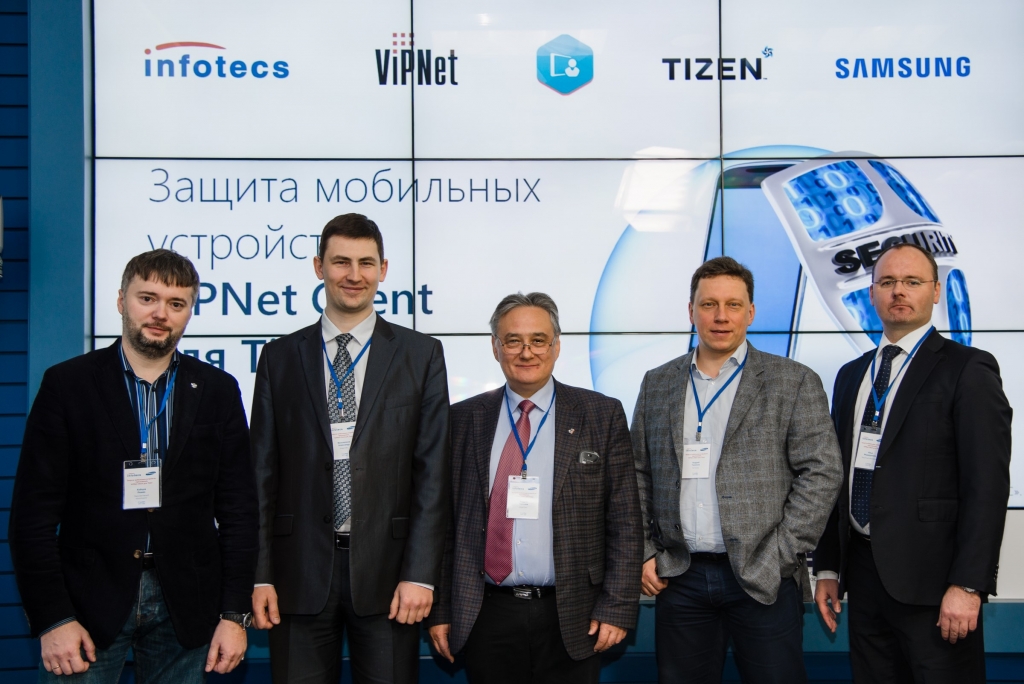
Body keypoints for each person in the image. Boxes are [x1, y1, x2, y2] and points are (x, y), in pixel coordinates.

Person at [9, 249, 258, 683]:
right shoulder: (68, 384)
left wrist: (234, 615)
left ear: (189, 313)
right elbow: (32, 517)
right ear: (121, 300)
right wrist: (53, 619)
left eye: (176, 303)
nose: (161, 313)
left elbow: (239, 511)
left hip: (187, 604)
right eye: (148, 298)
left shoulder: (217, 389)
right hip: (86, 606)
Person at [250, 213, 450, 683]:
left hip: (390, 577)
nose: (354, 275)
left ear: (384, 269)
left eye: (366, 262)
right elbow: (261, 474)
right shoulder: (279, 357)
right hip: (297, 573)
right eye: (341, 262)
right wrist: (260, 574)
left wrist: (420, 573)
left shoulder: (421, 354)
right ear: (319, 267)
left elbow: (433, 475)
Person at [632, 256, 843, 683]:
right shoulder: (658, 382)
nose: (721, 316)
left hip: (764, 577)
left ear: (751, 312)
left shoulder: (793, 380)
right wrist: (645, 551)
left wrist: (780, 554)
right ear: (691, 311)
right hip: (681, 576)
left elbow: (822, 472)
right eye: (709, 304)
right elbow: (637, 473)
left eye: (733, 305)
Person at [814, 242, 1012, 684]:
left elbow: (987, 486)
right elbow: (833, 478)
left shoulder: (968, 369)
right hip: (863, 578)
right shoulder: (851, 375)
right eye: (887, 282)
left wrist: (968, 585)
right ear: (871, 293)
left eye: (911, 281)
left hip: (937, 587)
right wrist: (828, 568)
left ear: (936, 291)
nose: (898, 291)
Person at [427, 293, 642, 684]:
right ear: (495, 347)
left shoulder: (601, 414)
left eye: (538, 340)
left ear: (556, 346)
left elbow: (625, 521)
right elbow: (444, 525)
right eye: (513, 340)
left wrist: (617, 606)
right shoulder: (462, 419)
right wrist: (441, 609)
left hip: (574, 613)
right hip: (486, 613)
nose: (526, 352)